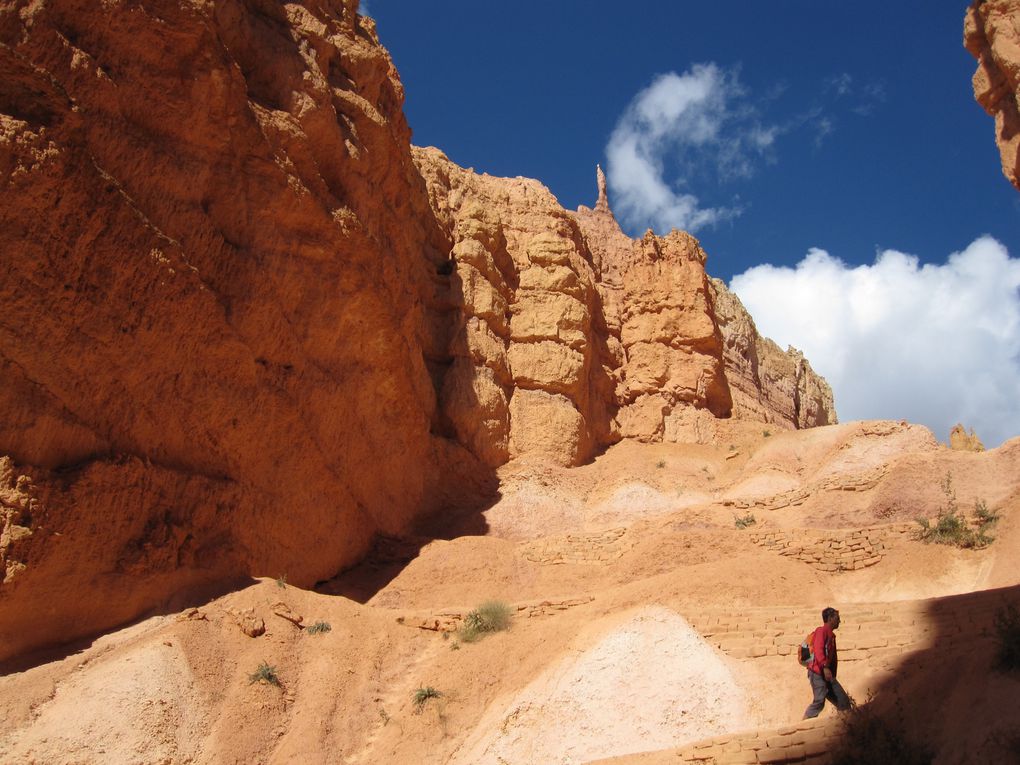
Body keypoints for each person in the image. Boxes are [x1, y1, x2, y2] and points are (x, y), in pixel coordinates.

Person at [803, 606, 852, 719]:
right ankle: (803, 724)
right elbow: (818, 649)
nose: (839, 621)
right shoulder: (821, 631)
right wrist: (825, 667)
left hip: (827, 675)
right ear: (830, 618)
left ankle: (846, 726)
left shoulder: (831, 636)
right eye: (837, 618)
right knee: (819, 700)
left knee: (843, 701)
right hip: (817, 673)